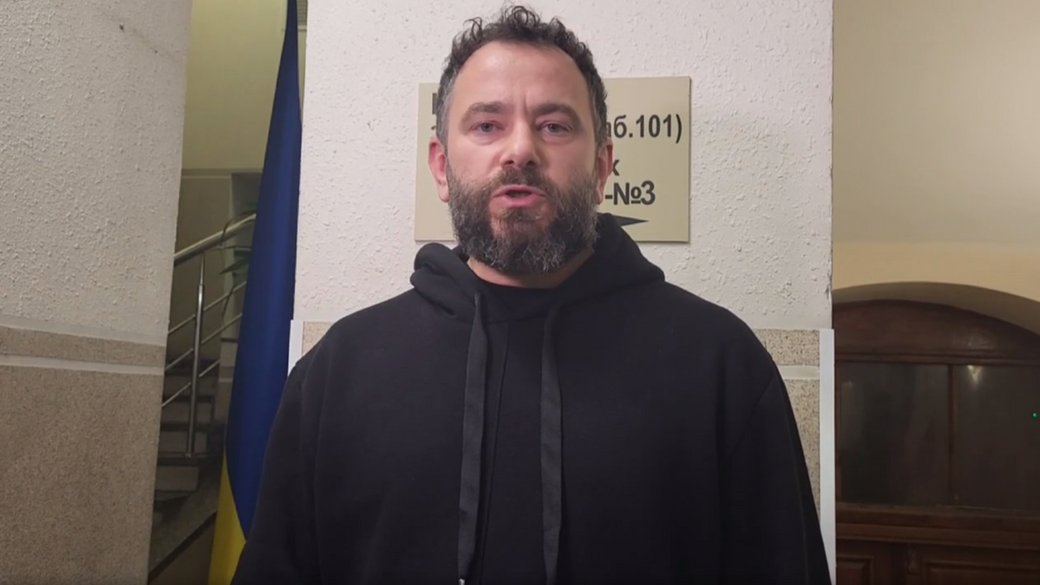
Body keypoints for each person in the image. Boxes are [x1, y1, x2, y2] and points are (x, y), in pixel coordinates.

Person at [233, 6, 830, 584]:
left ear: (602, 167)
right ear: (441, 167)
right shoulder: (339, 371)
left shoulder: (721, 365)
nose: (520, 149)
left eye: (554, 126)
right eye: (486, 125)